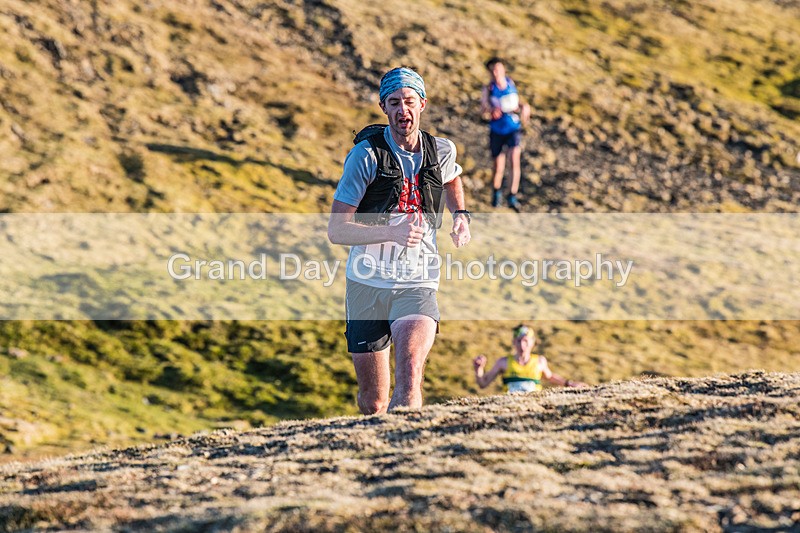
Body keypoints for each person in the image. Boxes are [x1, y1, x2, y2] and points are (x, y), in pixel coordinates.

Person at [328, 67, 471, 415]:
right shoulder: (366, 157)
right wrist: (390, 231)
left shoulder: (441, 151)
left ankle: (406, 454)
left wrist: (461, 216)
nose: (402, 110)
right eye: (394, 103)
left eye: (409, 101)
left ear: (422, 104)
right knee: (374, 401)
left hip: (417, 281)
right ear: (383, 107)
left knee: (409, 375)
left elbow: (451, 180)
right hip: (367, 283)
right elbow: (337, 230)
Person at [480, 57, 531, 212]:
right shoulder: (488, 88)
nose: (496, 73)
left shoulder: (510, 83)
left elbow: (516, 103)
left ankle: (512, 196)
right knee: (498, 165)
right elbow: (483, 110)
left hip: (514, 128)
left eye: (498, 69)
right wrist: (490, 111)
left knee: (514, 159)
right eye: (493, 70)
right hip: (497, 130)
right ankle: (496, 194)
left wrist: (524, 108)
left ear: (503, 69)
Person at [473, 325, 587, 393]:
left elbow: (550, 377)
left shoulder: (539, 361)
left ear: (533, 343)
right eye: (519, 341)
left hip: (534, 406)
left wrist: (570, 384)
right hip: (510, 406)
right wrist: (479, 369)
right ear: (513, 342)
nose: (522, 345)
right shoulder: (503, 363)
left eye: (526, 341)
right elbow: (483, 384)